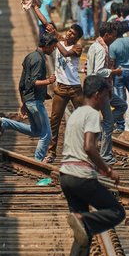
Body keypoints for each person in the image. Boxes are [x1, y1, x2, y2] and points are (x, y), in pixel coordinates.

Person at [59, 75, 125, 256]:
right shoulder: (91, 115)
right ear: (98, 95)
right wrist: (106, 169)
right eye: (107, 95)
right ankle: (84, 219)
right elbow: (89, 147)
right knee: (116, 212)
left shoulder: (76, 113)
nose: (108, 99)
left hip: (65, 176)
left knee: (82, 231)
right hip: (81, 177)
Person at [0, 32, 57, 162]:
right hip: (35, 101)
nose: (54, 49)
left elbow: (22, 83)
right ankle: (38, 162)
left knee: (35, 130)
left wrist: (24, 102)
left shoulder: (30, 56)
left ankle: (5, 123)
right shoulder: (38, 59)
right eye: (53, 46)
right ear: (47, 45)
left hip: (30, 100)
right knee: (46, 135)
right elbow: (33, 82)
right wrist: (49, 81)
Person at [85, 22, 126, 166]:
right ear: (107, 35)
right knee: (109, 122)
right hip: (100, 90)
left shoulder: (95, 45)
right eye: (113, 36)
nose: (114, 39)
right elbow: (98, 71)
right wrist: (114, 71)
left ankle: (100, 131)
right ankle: (106, 156)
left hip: (97, 88)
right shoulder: (102, 50)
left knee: (122, 106)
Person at [48, 24, 84, 162]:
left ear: (77, 38)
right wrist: (34, 5)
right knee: (55, 120)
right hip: (61, 88)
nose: (69, 34)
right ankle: (51, 152)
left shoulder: (78, 47)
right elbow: (47, 25)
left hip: (75, 88)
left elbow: (66, 53)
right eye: (69, 31)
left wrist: (56, 40)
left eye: (73, 34)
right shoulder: (61, 40)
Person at [109, 21, 129, 134]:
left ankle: (120, 125)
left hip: (119, 74)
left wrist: (110, 75)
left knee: (120, 100)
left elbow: (112, 63)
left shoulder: (113, 45)